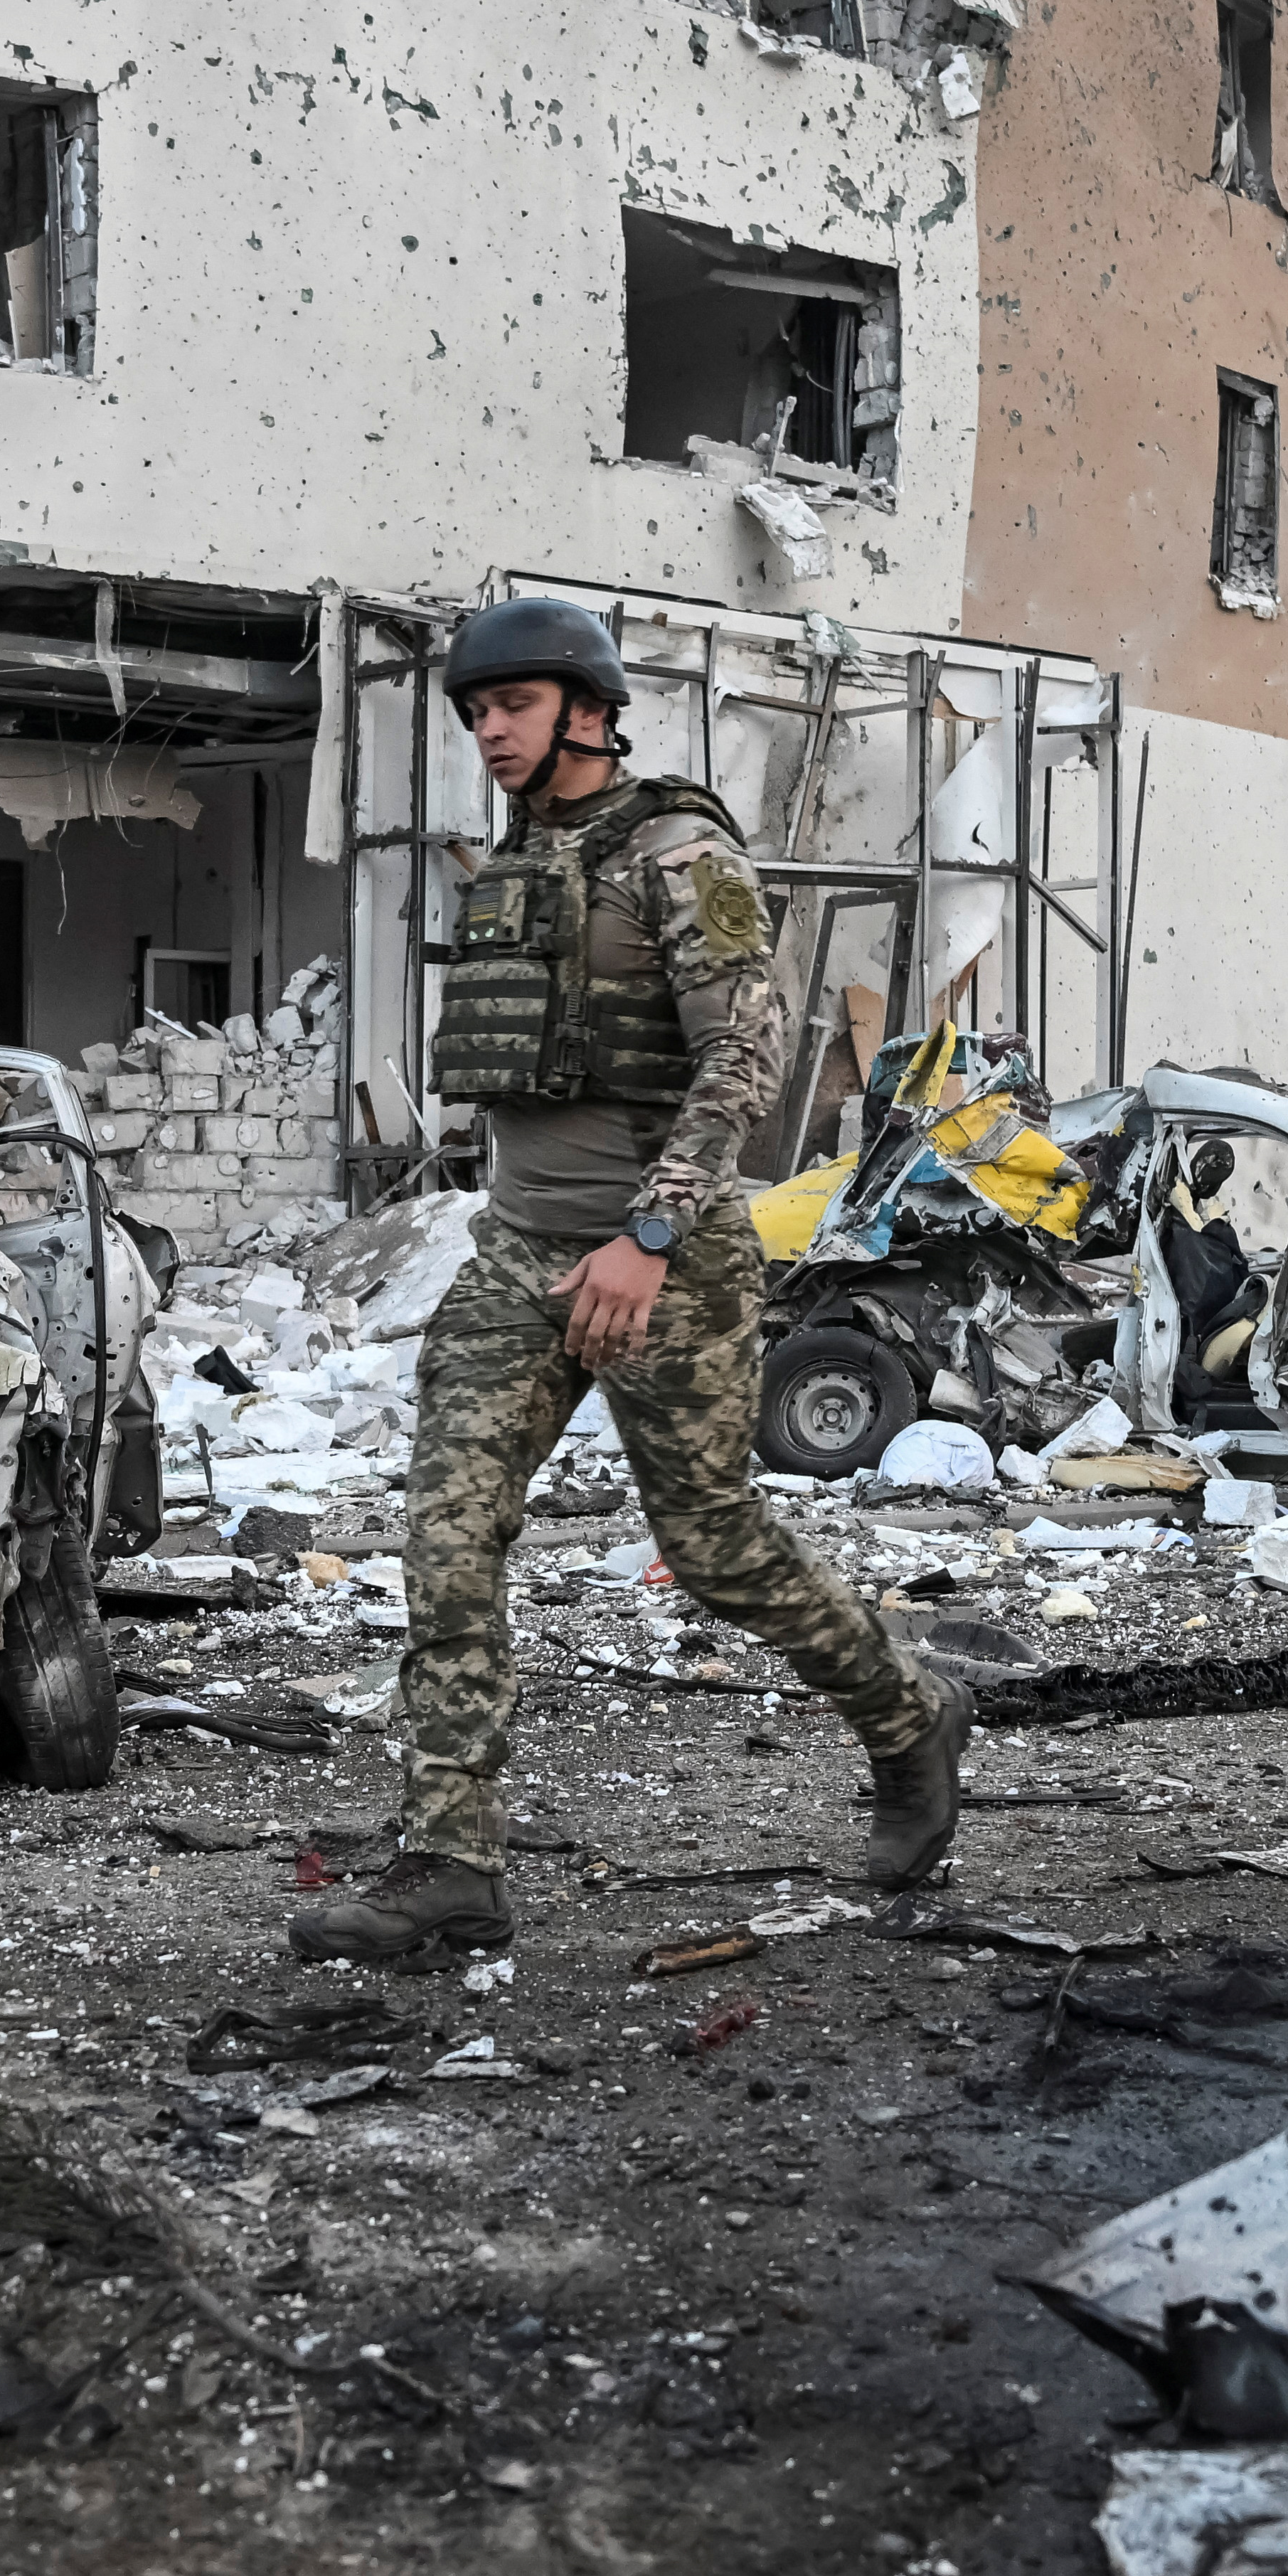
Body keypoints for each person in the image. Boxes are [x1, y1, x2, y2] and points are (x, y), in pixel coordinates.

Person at [289, 595, 969, 1967]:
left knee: (713, 1547)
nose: (487, 728)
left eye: (514, 706)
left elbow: (746, 1057)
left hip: (665, 1260)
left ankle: (909, 1716)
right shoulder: (516, 859)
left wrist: (648, 1234)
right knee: (447, 1538)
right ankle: (449, 1864)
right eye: (476, 710)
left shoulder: (678, 847)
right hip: (519, 1257)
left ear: (588, 712)